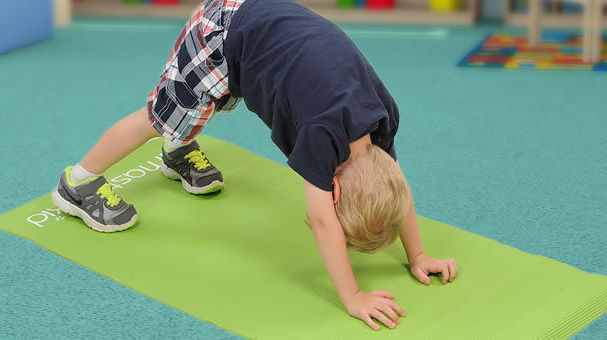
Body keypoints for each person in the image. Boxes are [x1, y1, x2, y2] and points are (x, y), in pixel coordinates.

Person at [51, 0, 458, 330]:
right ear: (334, 190)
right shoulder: (323, 134)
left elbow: (396, 187)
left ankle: (178, 148)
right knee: (159, 117)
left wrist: (418, 255)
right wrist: (351, 296)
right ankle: (78, 182)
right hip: (222, 30)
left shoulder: (381, 115)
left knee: (196, 111)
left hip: (265, 28)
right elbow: (321, 220)